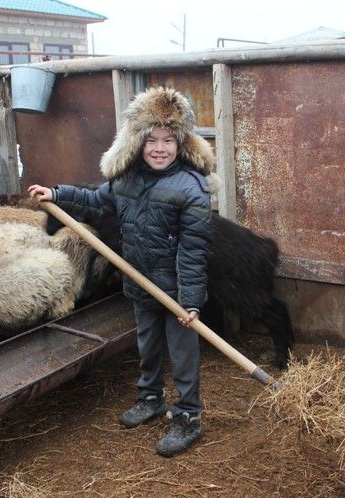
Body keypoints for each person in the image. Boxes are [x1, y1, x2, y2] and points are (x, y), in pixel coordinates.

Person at [28, 86, 220, 457]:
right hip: (139, 283)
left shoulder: (191, 189)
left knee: (182, 355)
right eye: (152, 140)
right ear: (138, 142)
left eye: (168, 140)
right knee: (147, 347)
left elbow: (193, 251)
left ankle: (188, 416)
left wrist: (190, 301)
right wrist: (56, 194)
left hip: (176, 292)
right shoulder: (126, 179)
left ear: (181, 144)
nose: (159, 148)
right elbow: (94, 199)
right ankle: (150, 398)